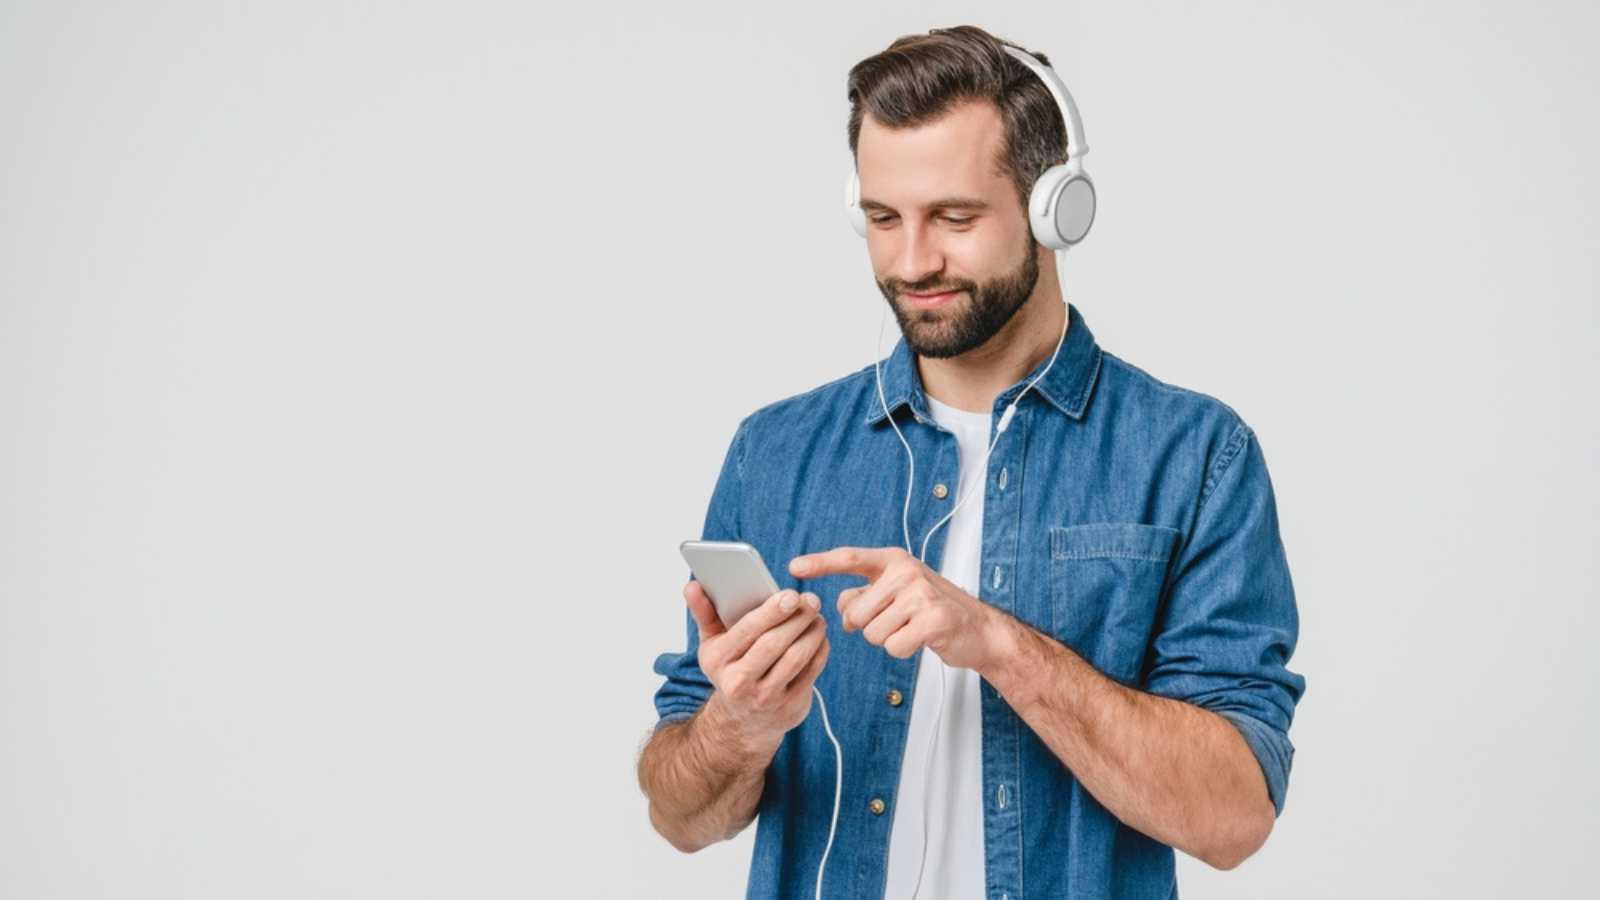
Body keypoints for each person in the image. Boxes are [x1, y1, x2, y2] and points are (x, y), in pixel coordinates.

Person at [636, 24, 1305, 900]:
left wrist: (996, 643)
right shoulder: (776, 452)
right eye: (883, 219)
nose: (912, 261)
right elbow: (680, 818)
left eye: (954, 217)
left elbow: (1234, 819)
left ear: (1052, 208)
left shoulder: (1195, 456)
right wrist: (741, 724)